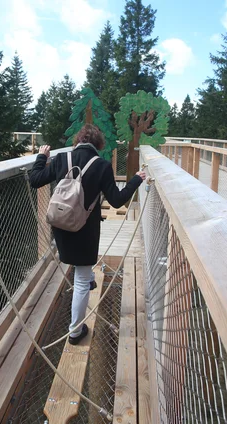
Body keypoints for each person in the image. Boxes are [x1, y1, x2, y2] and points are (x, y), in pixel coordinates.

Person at [29, 124, 146, 345]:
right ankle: (74, 332)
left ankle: (89, 283)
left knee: (77, 268)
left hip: (61, 225)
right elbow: (117, 200)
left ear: (77, 141)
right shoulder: (101, 165)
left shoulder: (62, 159)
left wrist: (41, 157)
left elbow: (34, 180)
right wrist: (136, 180)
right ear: (98, 145)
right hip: (85, 230)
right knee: (81, 279)